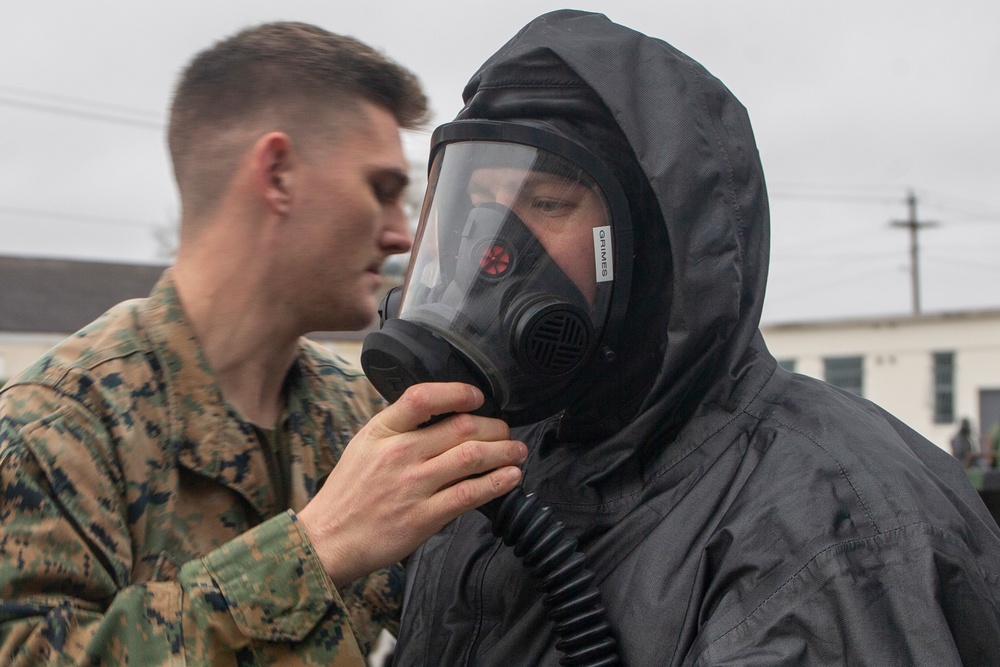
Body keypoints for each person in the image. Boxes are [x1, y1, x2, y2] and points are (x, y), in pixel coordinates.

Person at [362, 10, 1000, 666]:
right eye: (475, 207)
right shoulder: (499, 474)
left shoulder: (829, 527)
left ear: (655, 249)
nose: (490, 247)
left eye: (547, 203)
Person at [0, 22, 527, 665]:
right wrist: (318, 548)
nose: (400, 235)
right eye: (382, 191)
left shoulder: (364, 418)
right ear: (277, 174)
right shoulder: (51, 429)